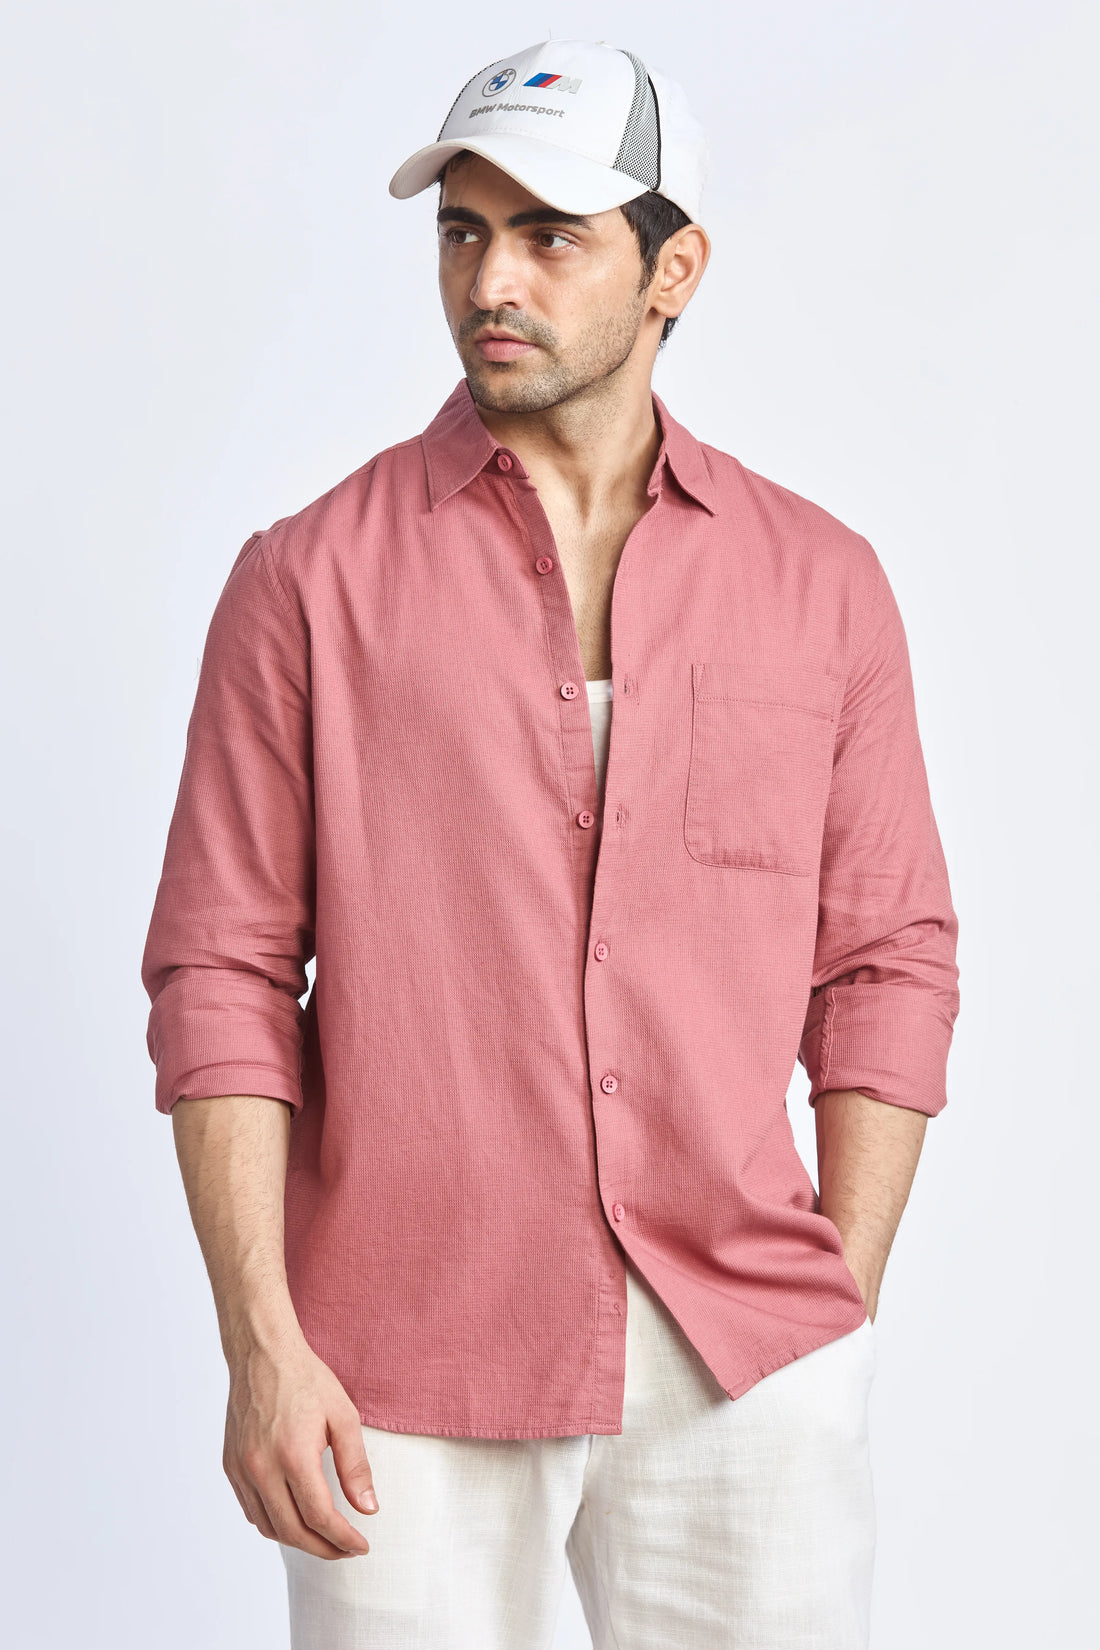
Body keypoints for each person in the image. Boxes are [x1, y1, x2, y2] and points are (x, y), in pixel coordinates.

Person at [140, 37, 961, 1650]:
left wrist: (837, 1313)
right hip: (396, 1366)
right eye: (462, 230)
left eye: (548, 236)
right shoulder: (306, 581)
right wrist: (262, 1342)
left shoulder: (822, 586)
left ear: (674, 271)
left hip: (745, 1355)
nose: (489, 281)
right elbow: (219, 974)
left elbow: (887, 962)